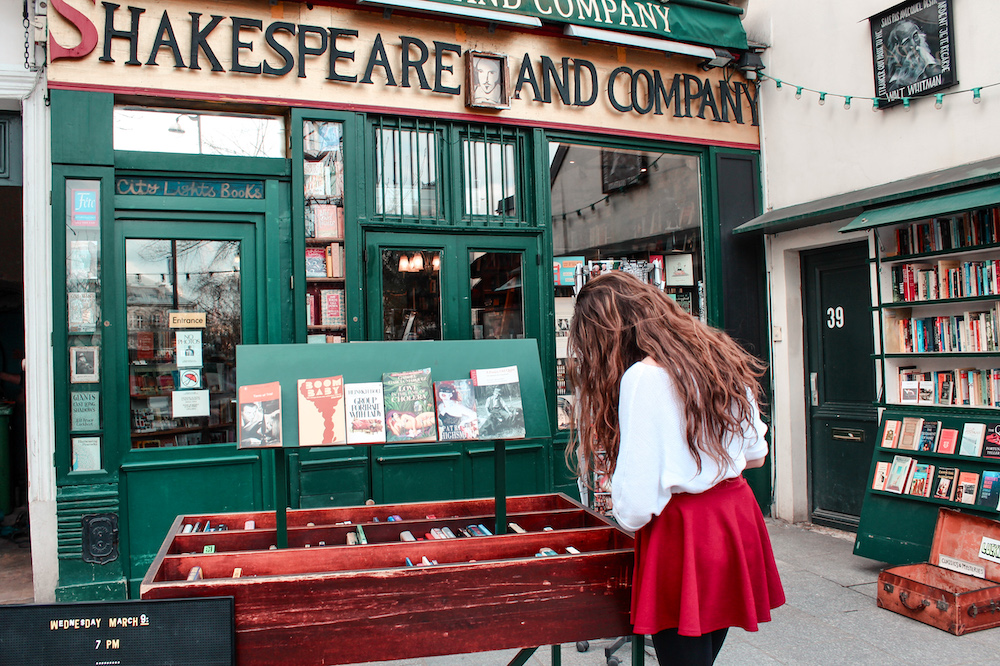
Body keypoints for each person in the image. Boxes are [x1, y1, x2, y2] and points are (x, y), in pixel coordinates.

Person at [566, 271, 784, 666]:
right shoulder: (719, 354)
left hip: (683, 529)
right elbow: (756, 455)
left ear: (609, 336)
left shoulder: (643, 377)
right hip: (735, 516)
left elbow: (634, 509)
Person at [886, 19, 942, 91]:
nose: (913, 44)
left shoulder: (934, 66)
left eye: (915, 36)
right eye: (906, 41)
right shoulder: (895, 84)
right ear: (898, 49)